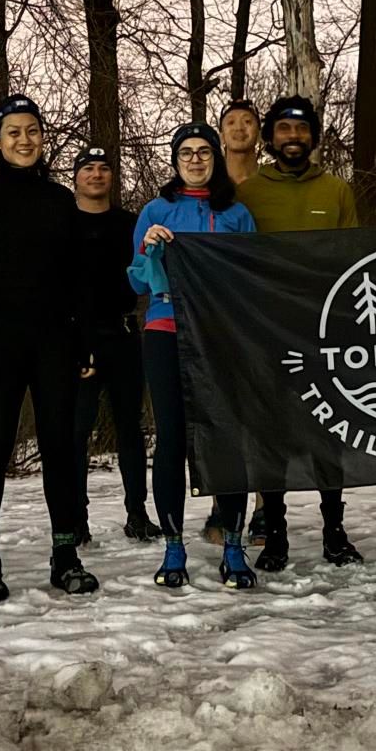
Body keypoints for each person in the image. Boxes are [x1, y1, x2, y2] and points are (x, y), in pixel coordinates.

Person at [0, 94, 99, 603]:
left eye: (32, 130)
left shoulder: (61, 200)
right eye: (13, 132)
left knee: (60, 448)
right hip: (0, 345)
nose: (24, 140)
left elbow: (80, 279)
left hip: (56, 343)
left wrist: (84, 344)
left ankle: (65, 556)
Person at [234, 95, 362, 569]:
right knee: (271, 436)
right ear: (270, 138)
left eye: (302, 129)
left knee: (328, 434)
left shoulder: (336, 190)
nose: (293, 137)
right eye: (284, 129)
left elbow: (353, 261)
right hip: (267, 334)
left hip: (322, 335)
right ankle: (275, 535)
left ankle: (334, 532)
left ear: (314, 136)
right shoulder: (249, 193)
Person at [132, 122, 260, 589]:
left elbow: (253, 276)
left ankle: (233, 546)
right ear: (175, 160)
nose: (195, 160)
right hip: (165, 329)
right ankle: (173, 546)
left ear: (215, 158)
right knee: (170, 439)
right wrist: (150, 249)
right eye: (186, 152)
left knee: (226, 436)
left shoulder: (236, 213)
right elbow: (137, 280)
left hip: (220, 334)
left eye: (204, 152)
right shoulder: (156, 210)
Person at [70, 145, 154, 544]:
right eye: (88, 168)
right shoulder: (63, 224)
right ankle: (76, 519)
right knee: (76, 433)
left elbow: (145, 273)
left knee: (130, 430)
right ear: (76, 177)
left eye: (104, 168)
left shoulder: (129, 223)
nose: (97, 174)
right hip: (78, 341)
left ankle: (137, 513)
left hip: (123, 335)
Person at [220, 98, 263, 184]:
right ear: (222, 137)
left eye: (247, 121)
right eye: (231, 122)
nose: (239, 128)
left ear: (259, 135)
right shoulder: (209, 185)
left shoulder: (275, 184)